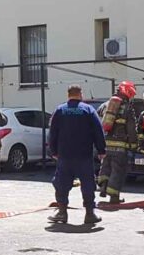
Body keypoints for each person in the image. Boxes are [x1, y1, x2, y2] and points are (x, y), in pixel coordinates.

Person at [48, 85, 106, 224]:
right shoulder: (88, 110)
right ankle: (90, 214)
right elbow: (98, 130)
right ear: (80, 94)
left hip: (65, 155)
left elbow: (53, 133)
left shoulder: (60, 110)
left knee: (62, 183)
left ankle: (62, 212)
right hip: (84, 155)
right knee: (88, 184)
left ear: (68, 95)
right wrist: (101, 150)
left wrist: (54, 151)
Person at [97, 81, 138, 203]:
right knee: (118, 170)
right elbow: (131, 128)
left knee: (106, 167)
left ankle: (103, 186)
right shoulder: (128, 108)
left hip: (107, 144)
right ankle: (114, 197)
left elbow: (99, 112)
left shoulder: (108, 104)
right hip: (120, 146)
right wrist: (134, 144)